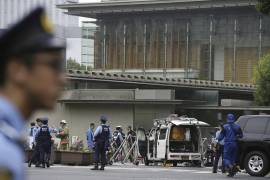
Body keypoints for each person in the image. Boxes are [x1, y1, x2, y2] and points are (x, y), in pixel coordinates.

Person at [0, 7, 65, 180]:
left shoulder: (9, 134)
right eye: (53, 66)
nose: (62, 79)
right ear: (18, 70)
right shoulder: (3, 154)